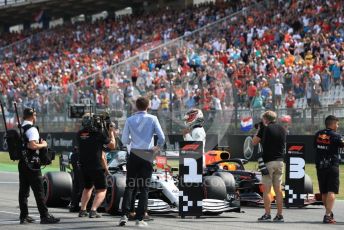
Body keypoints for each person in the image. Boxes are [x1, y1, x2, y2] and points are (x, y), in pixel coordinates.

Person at [119, 97, 165, 227]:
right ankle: (140, 219)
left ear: (136, 106)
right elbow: (162, 138)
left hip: (134, 153)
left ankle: (124, 215)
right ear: (148, 106)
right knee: (144, 188)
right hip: (147, 154)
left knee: (130, 186)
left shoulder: (129, 119)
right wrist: (157, 147)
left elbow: (124, 140)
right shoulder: (152, 118)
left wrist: (132, 141)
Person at [19, 107, 60, 224]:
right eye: (35, 115)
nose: (36, 117)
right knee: (39, 191)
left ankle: (24, 215)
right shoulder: (32, 129)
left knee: (23, 191)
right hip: (32, 164)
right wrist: (44, 144)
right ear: (32, 116)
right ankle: (44, 216)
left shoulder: (21, 128)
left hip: (23, 163)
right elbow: (32, 145)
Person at [77, 114, 116, 218]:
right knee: (102, 189)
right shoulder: (98, 134)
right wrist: (111, 133)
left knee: (87, 187)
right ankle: (93, 210)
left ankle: (83, 210)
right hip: (96, 166)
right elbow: (112, 146)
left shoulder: (79, 133)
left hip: (83, 165)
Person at [253, 110, 286, 222]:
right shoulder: (282, 129)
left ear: (265, 119)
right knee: (278, 190)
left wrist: (259, 129)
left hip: (268, 162)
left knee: (266, 190)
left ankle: (267, 214)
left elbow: (254, 142)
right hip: (280, 161)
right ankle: (279, 215)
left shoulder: (264, 128)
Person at [314, 115, 344, 224]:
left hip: (320, 166)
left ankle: (328, 213)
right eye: (337, 123)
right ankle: (327, 215)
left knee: (324, 191)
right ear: (332, 124)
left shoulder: (318, 134)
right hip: (332, 166)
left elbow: (315, 147)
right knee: (332, 190)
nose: (338, 125)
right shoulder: (336, 135)